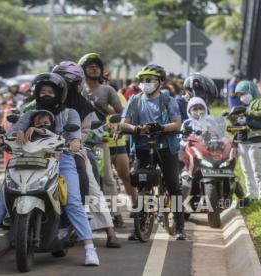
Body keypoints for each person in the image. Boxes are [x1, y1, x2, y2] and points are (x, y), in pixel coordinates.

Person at [0, 72, 100, 266]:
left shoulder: (70, 113)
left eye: (50, 91)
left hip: (62, 160)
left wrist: (75, 141)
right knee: (7, 187)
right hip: (31, 159)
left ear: (60, 94)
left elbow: (75, 131)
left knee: (73, 201)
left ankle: (89, 248)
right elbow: (14, 130)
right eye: (42, 91)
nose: (45, 94)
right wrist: (2, 140)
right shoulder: (29, 114)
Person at [52, 61, 121, 248]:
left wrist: (72, 142)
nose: (57, 87)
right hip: (44, 151)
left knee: (91, 186)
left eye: (63, 82)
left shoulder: (83, 106)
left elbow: (83, 133)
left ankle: (110, 231)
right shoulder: (45, 100)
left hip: (73, 151)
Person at [117, 64, 186, 240]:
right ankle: (139, 226)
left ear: (160, 82)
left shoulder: (167, 100)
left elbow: (177, 124)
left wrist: (161, 127)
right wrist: (137, 129)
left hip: (165, 148)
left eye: (150, 80)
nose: (145, 83)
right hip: (141, 148)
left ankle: (179, 227)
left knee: (172, 185)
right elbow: (123, 123)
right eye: (143, 80)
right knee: (141, 183)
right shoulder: (134, 100)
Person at [78, 53, 128, 227]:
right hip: (78, 140)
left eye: (96, 66)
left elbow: (122, 113)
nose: (94, 68)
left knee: (106, 177)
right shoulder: (77, 89)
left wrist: (111, 117)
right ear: (82, 70)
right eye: (90, 66)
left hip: (99, 139)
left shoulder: (108, 90)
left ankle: (115, 214)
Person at [231, 80, 261, 201]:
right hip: (244, 141)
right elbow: (240, 126)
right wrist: (233, 121)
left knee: (259, 170)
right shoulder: (244, 107)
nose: (241, 97)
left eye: (243, 93)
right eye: (239, 95)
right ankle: (252, 195)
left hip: (260, 139)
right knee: (247, 171)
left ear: (251, 90)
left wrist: (246, 112)